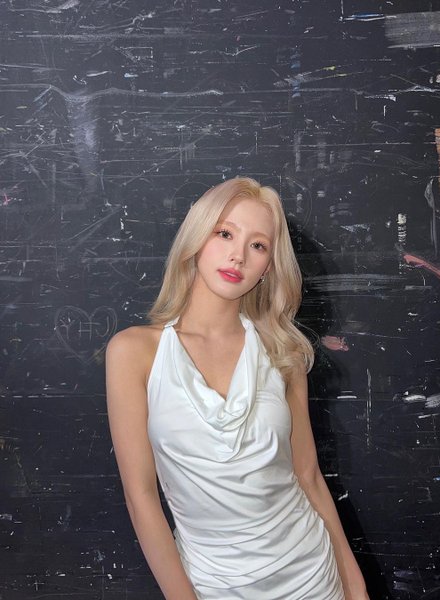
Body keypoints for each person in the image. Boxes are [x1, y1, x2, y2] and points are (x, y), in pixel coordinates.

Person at [106, 177, 369, 600]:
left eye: (258, 245)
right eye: (225, 233)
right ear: (197, 238)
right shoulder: (134, 352)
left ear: (268, 266)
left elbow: (307, 475)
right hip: (213, 586)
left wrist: (355, 587)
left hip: (312, 577)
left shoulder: (282, 352)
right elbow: (141, 497)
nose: (238, 255)